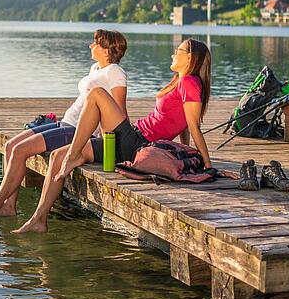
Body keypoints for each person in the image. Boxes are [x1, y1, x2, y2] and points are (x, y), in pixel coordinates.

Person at [14, 38, 213, 234]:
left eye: (178, 51)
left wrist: (207, 165)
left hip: (138, 144)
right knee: (57, 156)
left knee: (97, 94)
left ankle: (74, 154)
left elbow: (193, 125)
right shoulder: (182, 81)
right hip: (132, 137)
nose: (173, 53)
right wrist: (185, 149)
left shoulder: (189, 82)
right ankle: (38, 219)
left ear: (189, 58)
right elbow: (183, 123)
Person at [0, 30, 128, 217]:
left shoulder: (115, 72)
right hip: (66, 122)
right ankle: (9, 206)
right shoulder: (96, 69)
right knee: (10, 146)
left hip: (77, 130)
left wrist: (116, 141)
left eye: (95, 43)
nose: (91, 46)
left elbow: (119, 111)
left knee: (19, 151)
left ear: (106, 51)